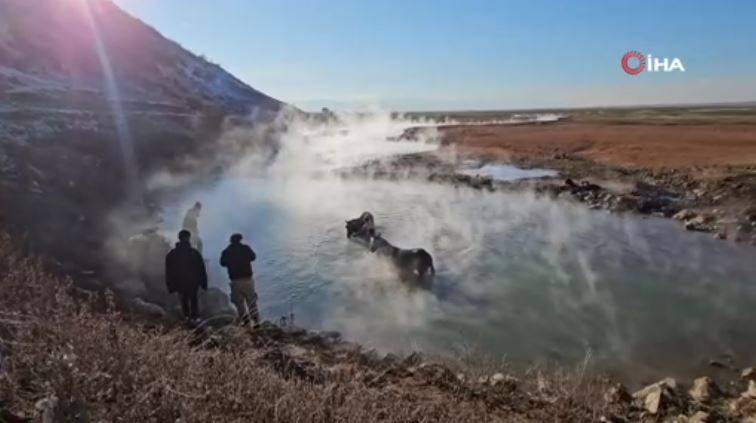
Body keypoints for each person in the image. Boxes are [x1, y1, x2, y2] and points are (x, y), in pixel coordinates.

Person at [165, 230, 207, 321]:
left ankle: (187, 318)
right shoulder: (194, 253)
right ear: (188, 238)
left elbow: (168, 271)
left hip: (179, 283)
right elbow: (201, 269)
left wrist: (170, 285)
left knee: (183, 300)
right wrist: (204, 283)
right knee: (193, 300)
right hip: (193, 283)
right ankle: (195, 319)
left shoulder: (172, 254)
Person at [220, 233, 258, 325]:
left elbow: (222, 263)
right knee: (251, 301)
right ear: (240, 240)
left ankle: (245, 322)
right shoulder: (245, 248)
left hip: (235, 281)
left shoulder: (226, 251)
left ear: (231, 241)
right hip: (247, 279)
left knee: (239, 303)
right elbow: (253, 257)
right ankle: (256, 322)